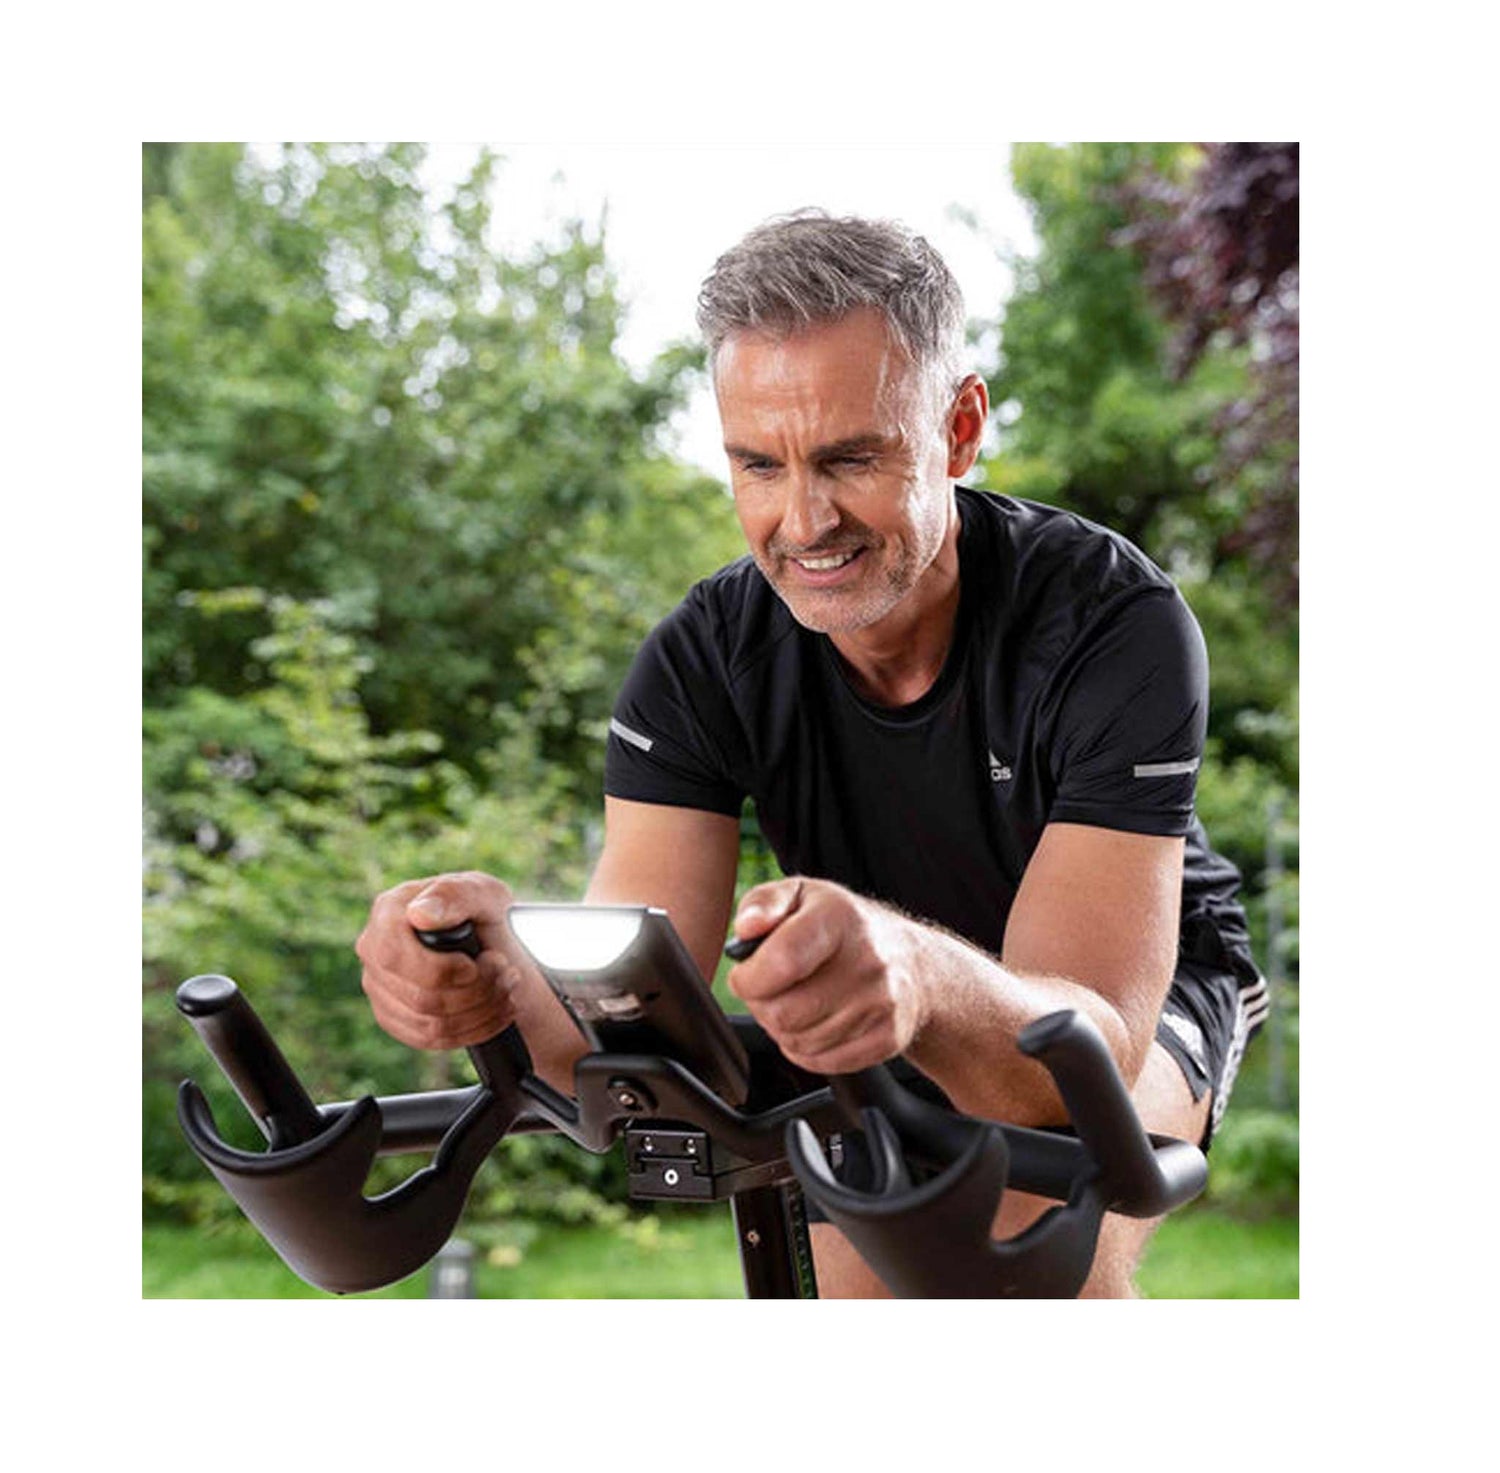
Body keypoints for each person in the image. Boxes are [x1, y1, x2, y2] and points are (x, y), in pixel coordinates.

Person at [356, 211, 1268, 1298]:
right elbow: (618, 1040)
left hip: (1131, 992)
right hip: (875, 984)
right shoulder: (704, 660)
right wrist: (494, 982)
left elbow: (1071, 1067)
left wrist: (917, 968)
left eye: (850, 458)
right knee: (871, 1277)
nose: (804, 521)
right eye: (758, 465)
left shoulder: (1112, 624)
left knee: (1025, 1219)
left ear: (959, 429)